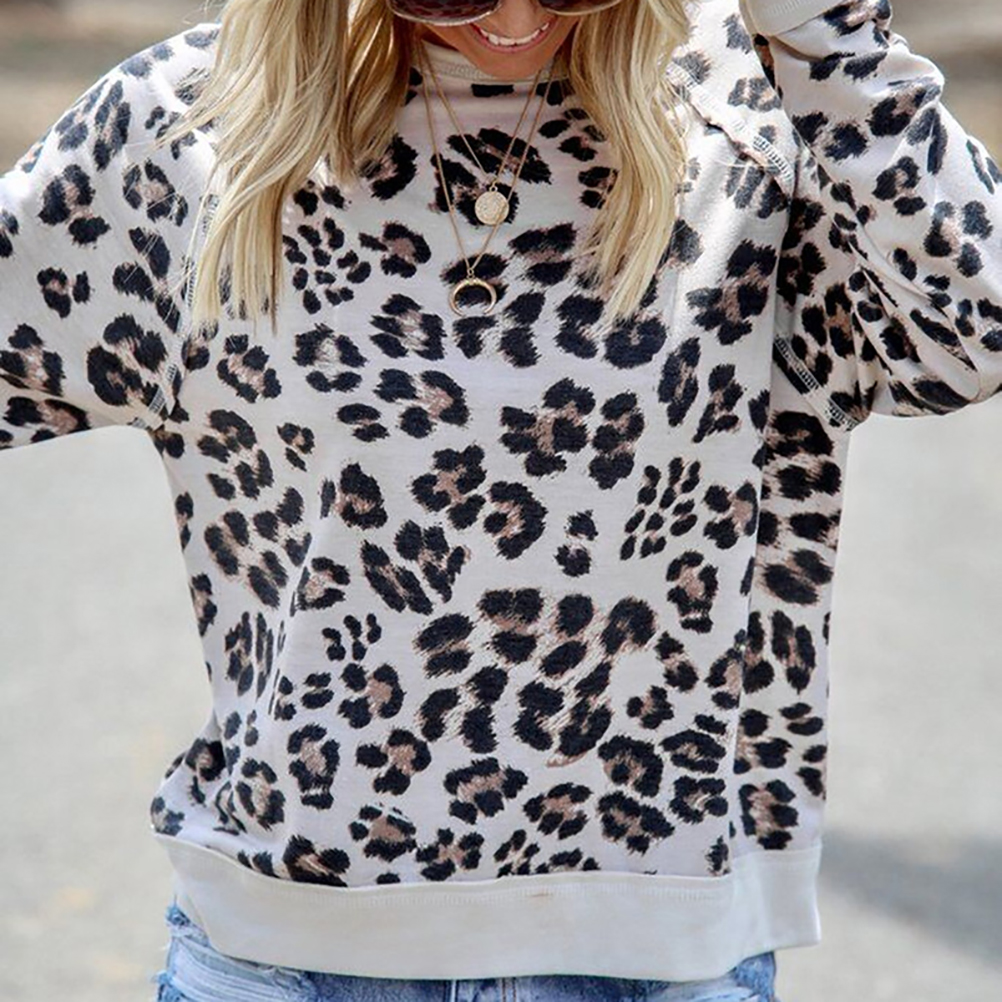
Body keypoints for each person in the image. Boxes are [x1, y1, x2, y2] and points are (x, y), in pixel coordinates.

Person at [1, 0, 999, 999]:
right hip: (283, 952)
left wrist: (828, 32)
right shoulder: (195, 121)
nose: (518, 19)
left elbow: (975, 331)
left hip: (662, 956)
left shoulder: (758, 113)